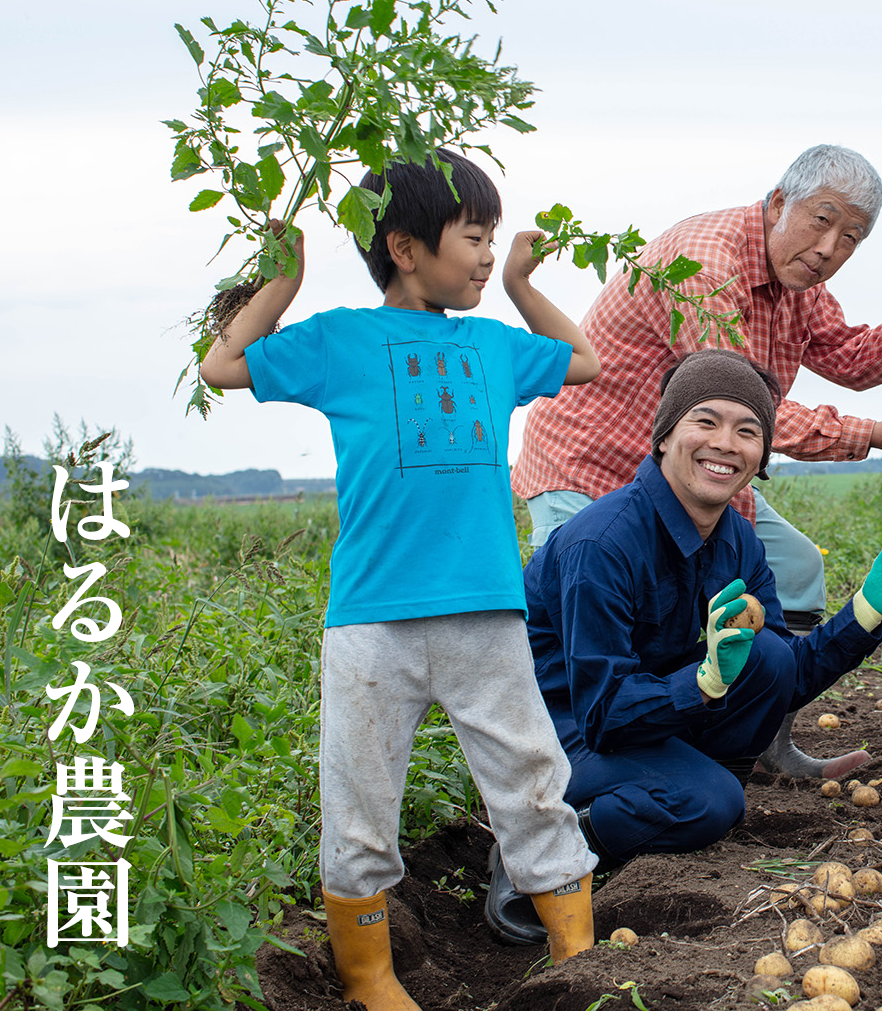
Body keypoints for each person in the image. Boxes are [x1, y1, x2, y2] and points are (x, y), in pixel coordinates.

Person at [198, 150, 602, 1009]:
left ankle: (578, 955)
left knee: (531, 781)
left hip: (487, 613)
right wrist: (282, 276)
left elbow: (584, 362)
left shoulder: (492, 343)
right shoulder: (341, 339)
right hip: (373, 620)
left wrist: (527, 285)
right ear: (406, 247)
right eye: (477, 237)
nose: (490, 254)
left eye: (495, 238)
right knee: (357, 798)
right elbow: (223, 366)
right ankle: (371, 979)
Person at [512, 143, 882, 778]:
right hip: (592, 465)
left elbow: (849, 358)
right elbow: (745, 411)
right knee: (598, 640)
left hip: (700, 471)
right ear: (776, 204)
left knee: (792, 569)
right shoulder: (703, 266)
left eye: (851, 237)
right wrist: (873, 435)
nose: (829, 248)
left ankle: (763, 743)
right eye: (821, 221)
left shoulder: (798, 280)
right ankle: (554, 789)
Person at [483, 350, 882, 940]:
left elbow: (786, 677)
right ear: (665, 436)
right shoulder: (603, 544)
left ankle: (675, 794)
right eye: (706, 421)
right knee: (711, 801)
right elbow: (603, 715)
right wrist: (704, 682)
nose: (726, 443)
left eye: (748, 431)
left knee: (768, 657)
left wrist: (866, 609)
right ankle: (536, 848)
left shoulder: (738, 540)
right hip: (562, 731)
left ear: (762, 457)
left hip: (641, 718)